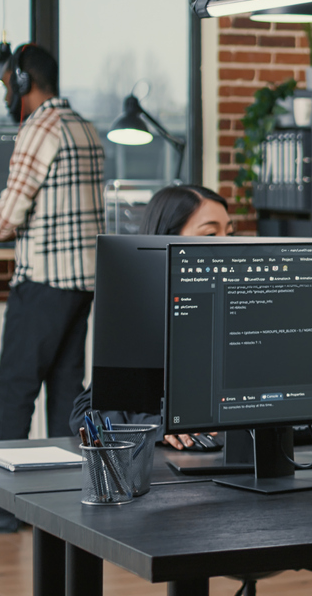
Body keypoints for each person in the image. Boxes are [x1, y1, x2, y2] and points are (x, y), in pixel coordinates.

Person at [0, 43, 104, 533]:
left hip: (43, 281)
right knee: (65, 393)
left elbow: (11, 212)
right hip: (81, 283)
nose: (4, 94)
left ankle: (4, 507)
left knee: (13, 393)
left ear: (21, 82)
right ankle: (65, 500)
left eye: (4, 86)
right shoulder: (86, 126)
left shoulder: (39, 127)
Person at [68, 184, 233, 450]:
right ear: (167, 240)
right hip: (178, 468)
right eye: (212, 233)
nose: (228, 243)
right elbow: (87, 413)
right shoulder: (146, 318)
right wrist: (160, 426)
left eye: (230, 233)